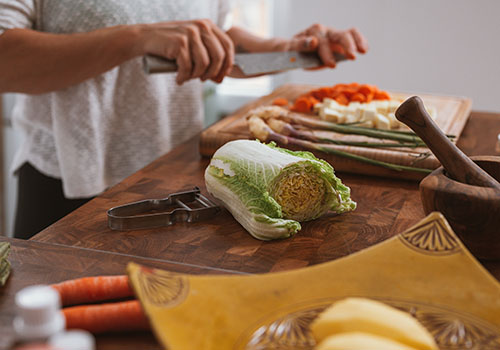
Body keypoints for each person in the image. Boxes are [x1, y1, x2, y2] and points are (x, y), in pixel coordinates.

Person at [0, 0, 368, 239]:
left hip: (175, 185)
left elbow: (214, 39)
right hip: (65, 190)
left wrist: (287, 50)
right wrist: (136, 39)